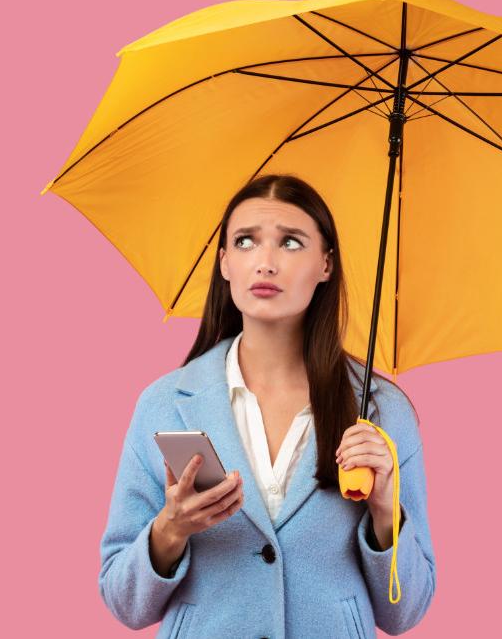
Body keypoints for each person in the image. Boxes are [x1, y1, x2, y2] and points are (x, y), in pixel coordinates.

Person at [98, 174, 437, 637]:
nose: (266, 262)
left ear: (326, 264)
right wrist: (169, 531)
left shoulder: (381, 411)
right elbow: (123, 602)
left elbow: (406, 613)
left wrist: (385, 511)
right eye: (246, 242)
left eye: (291, 243)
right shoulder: (164, 404)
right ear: (224, 264)